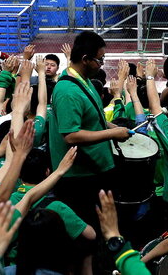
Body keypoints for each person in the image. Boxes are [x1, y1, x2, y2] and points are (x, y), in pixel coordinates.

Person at [49, 31, 131, 228]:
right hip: (79, 178)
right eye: (99, 60)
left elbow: (95, 118)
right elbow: (71, 135)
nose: (101, 64)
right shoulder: (68, 92)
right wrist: (113, 133)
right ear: (85, 59)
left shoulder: (83, 80)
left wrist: (114, 126)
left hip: (93, 169)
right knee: (88, 229)